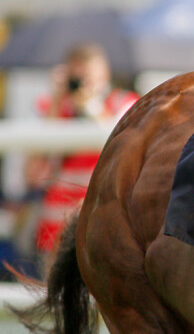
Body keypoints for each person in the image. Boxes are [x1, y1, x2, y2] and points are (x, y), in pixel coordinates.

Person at [26, 43, 138, 253]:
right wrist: (57, 99)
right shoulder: (52, 105)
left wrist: (90, 105)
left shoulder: (123, 102)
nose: (82, 84)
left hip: (102, 218)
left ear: (105, 73)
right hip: (55, 225)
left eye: (88, 76)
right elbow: (34, 167)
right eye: (76, 78)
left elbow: (119, 142)